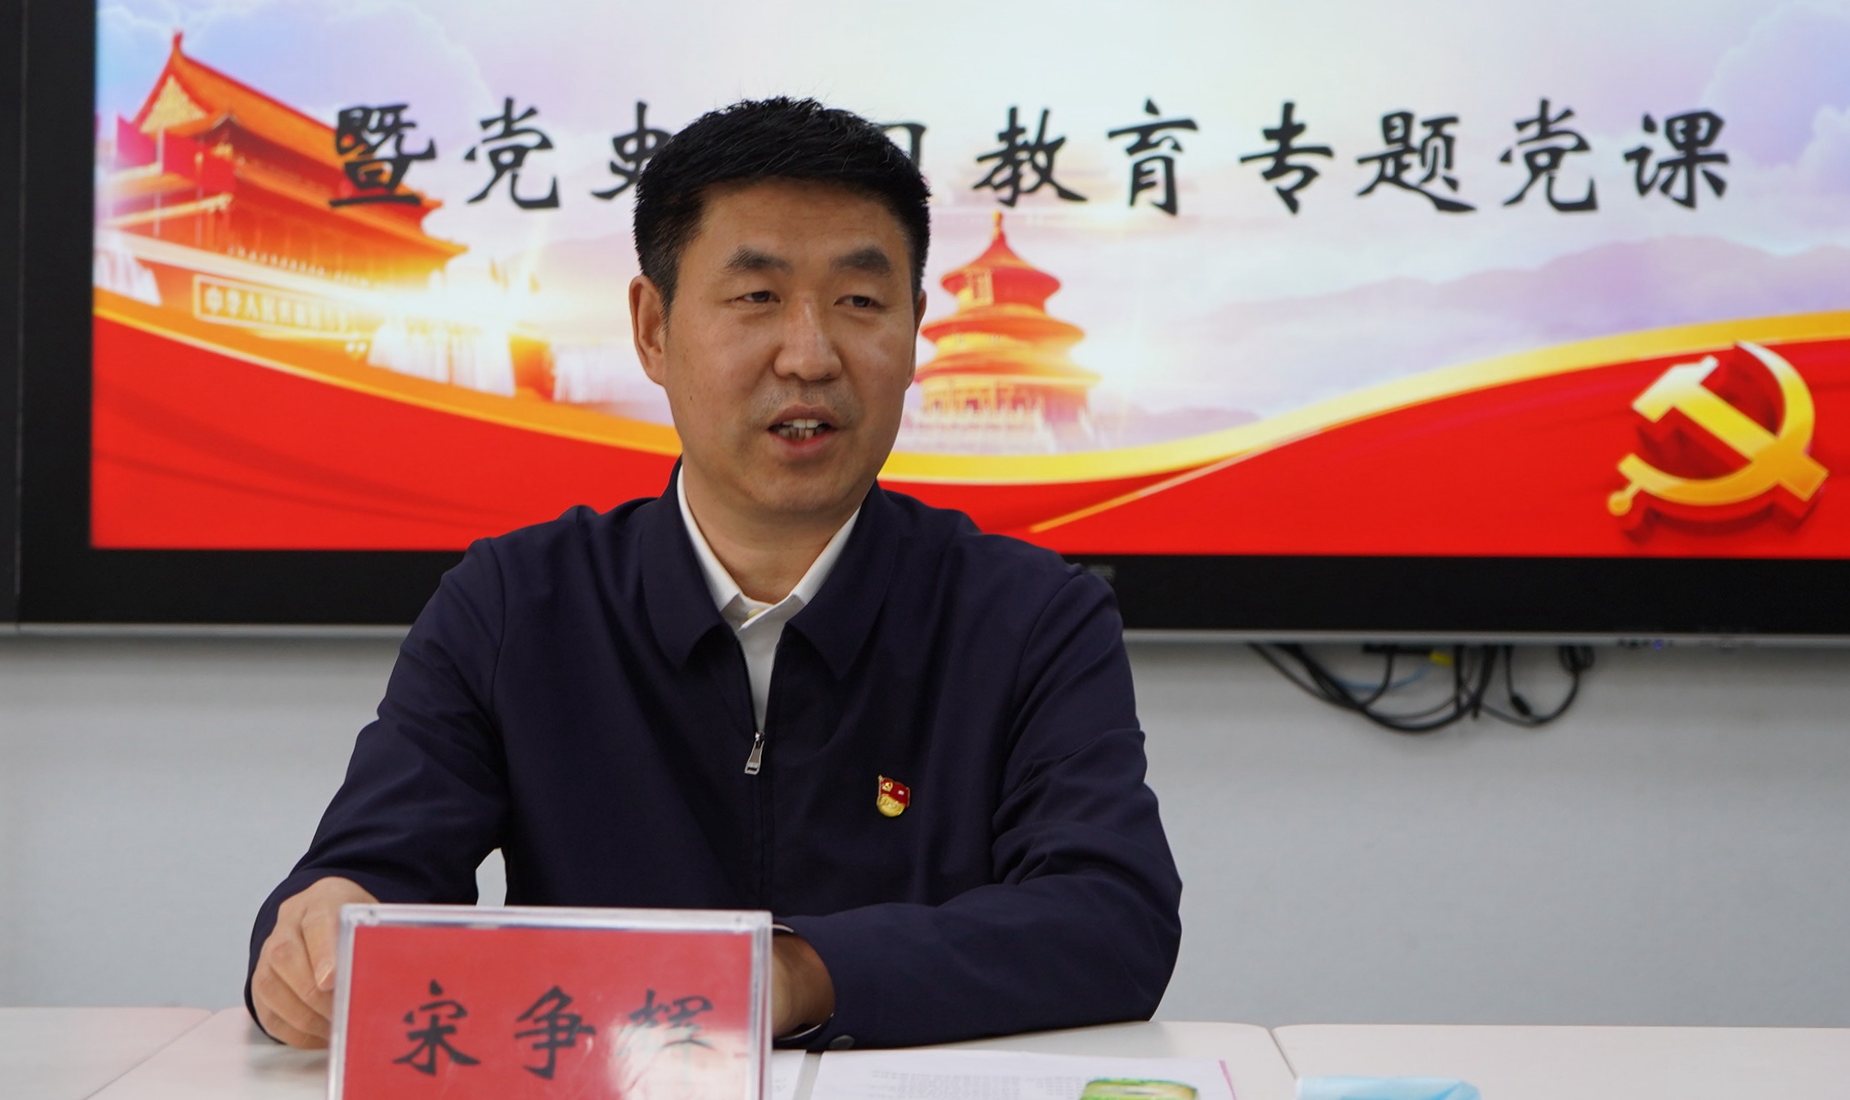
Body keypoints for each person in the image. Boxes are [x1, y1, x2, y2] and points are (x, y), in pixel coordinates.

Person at [248, 97, 1181, 1050]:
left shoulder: (1031, 617)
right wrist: (320, 929)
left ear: (913, 334)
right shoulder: (516, 603)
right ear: (653, 328)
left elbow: (1112, 922)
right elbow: (369, 874)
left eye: (860, 302)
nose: (809, 356)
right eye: (756, 298)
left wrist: (791, 976)